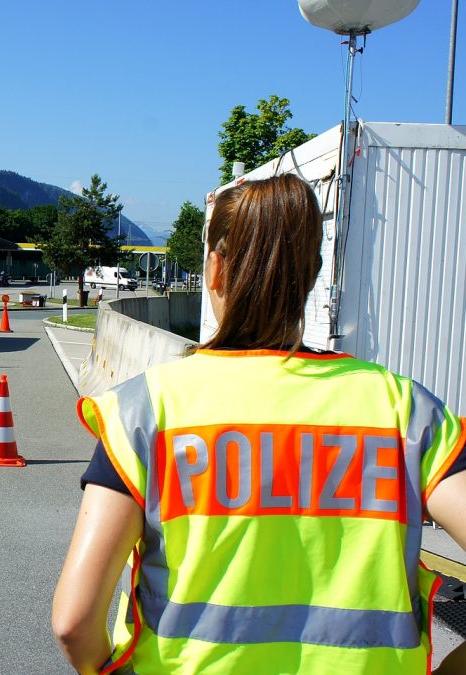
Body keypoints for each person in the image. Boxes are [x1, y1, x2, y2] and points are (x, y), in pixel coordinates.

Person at [52, 174, 466, 674]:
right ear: (311, 274)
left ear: (214, 268)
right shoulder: (404, 410)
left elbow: (73, 622)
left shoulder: (146, 410)